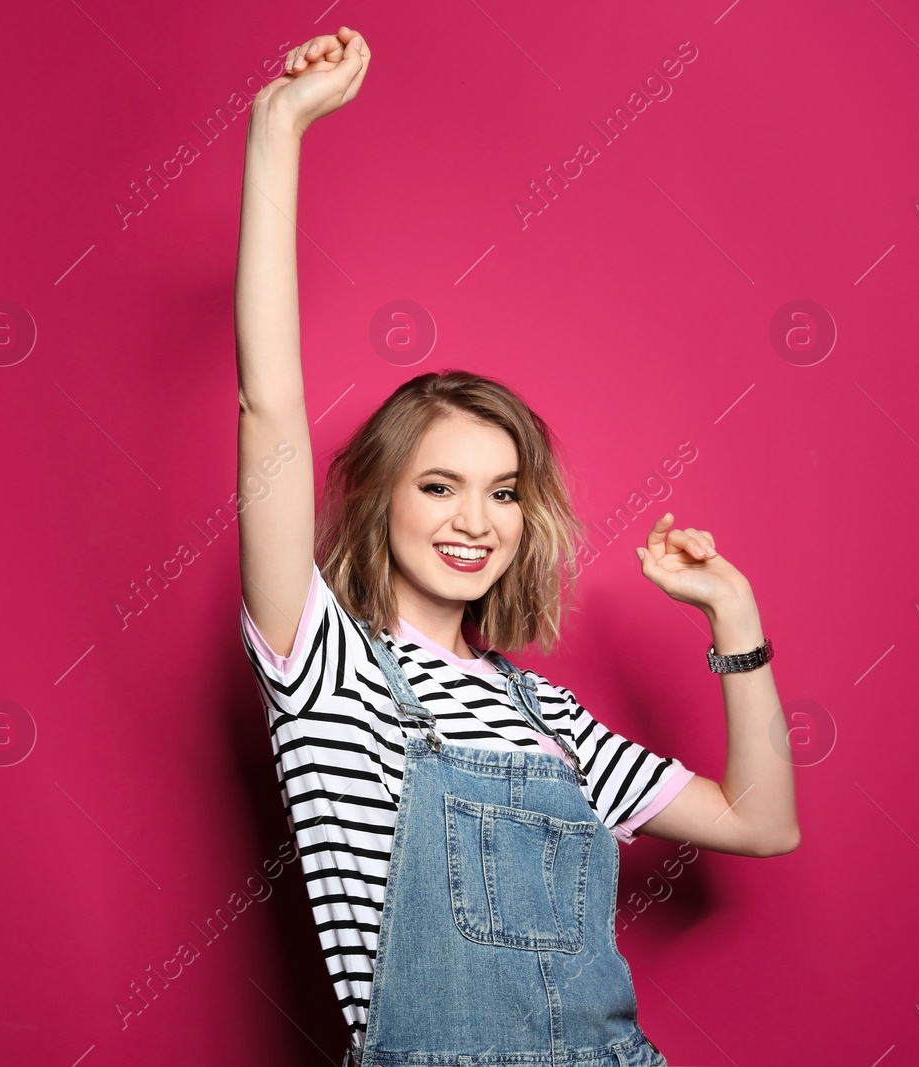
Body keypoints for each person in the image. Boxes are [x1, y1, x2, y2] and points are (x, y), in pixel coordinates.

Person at [234, 28, 800, 1067]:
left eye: (502, 491)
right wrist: (277, 131)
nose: (474, 519)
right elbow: (268, 403)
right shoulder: (323, 665)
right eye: (438, 485)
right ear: (374, 498)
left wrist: (736, 618)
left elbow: (761, 823)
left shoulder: (546, 715)